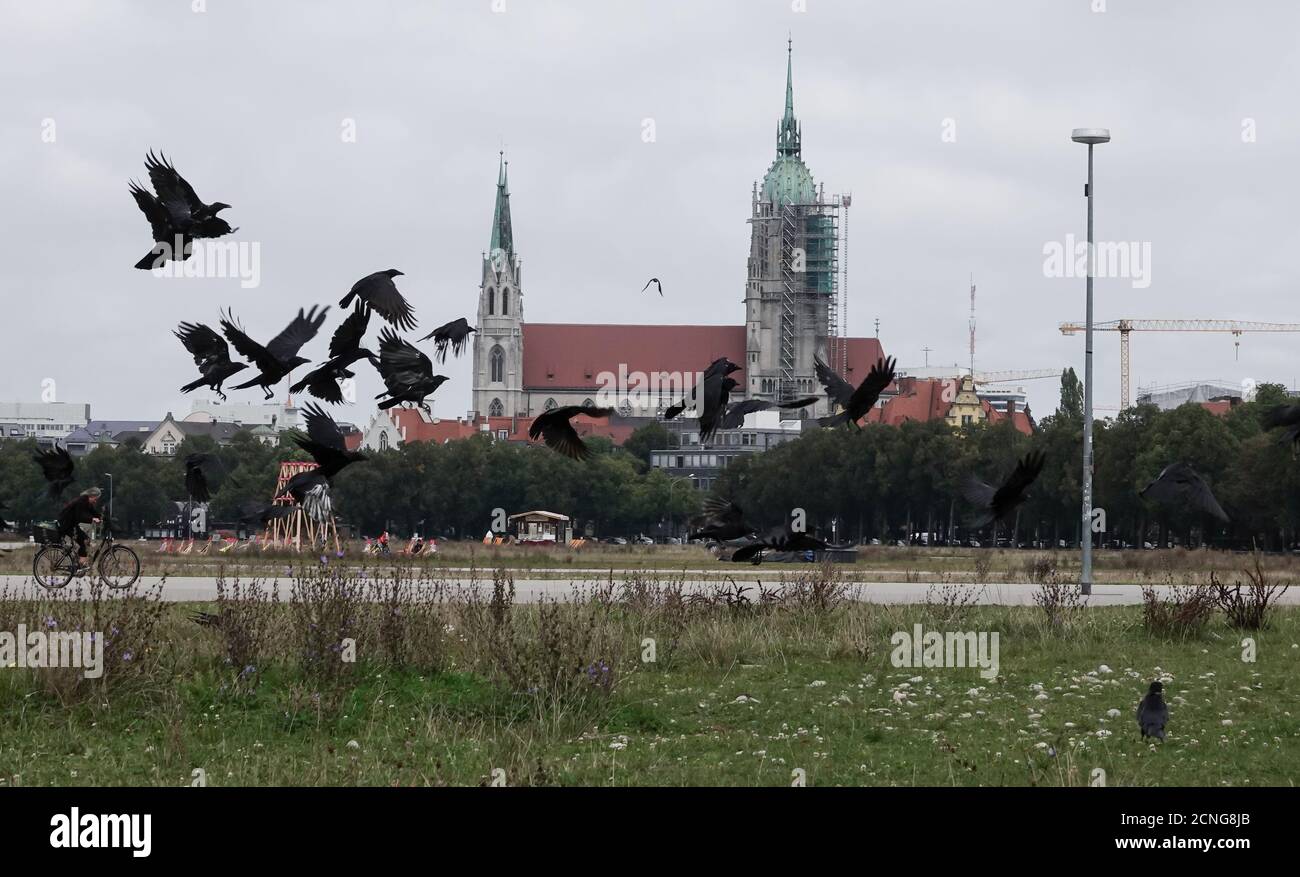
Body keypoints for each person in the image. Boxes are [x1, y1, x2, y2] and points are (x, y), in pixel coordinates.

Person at [57, 487, 102, 574]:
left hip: (72, 524)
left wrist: (103, 518)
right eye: (95, 499)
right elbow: (80, 517)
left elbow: (95, 513)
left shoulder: (87, 503)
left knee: (86, 541)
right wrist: (93, 519)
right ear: (91, 496)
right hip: (66, 525)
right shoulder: (81, 502)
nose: (96, 501)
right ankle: (79, 566)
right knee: (85, 541)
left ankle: (79, 564)